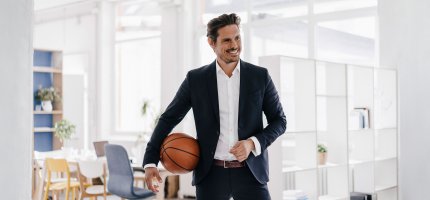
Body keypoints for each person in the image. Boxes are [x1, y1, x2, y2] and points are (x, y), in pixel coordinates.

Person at [143, 13, 286, 200]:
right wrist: (150, 162)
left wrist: (252, 143)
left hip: (251, 174)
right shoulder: (195, 80)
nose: (234, 45)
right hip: (211, 175)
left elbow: (279, 121)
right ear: (211, 42)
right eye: (227, 40)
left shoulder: (260, 76)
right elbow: (169, 118)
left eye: (237, 38)